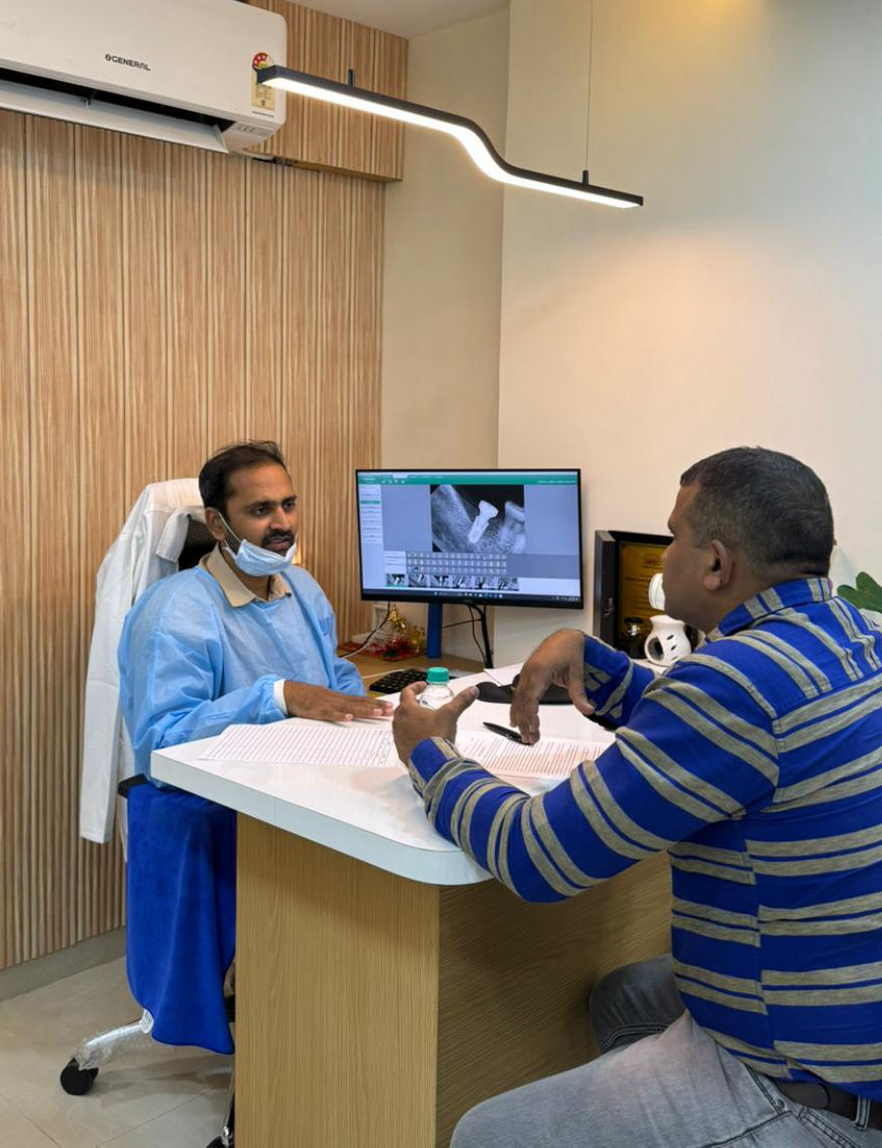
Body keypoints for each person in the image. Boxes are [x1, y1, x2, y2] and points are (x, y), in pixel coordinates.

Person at [392, 446, 882, 1147]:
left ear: (716, 565)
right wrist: (594, 661)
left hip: (812, 1088)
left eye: (674, 536)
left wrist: (430, 755)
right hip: (853, 1014)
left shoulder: (732, 683)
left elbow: (538, 855)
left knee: (484, 1133)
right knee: (622, 1000)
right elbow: (727, 736)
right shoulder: (855, 636)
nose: (664, 552)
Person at [119, 439, 390, 777]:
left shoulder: (302, 587)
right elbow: (161, 745)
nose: (283, 523)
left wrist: (372, 718)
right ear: (217, 524)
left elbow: (336, 678)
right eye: (261, 510)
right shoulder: (173, 614)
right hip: (225, 797)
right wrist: (278, 697)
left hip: (312, 774)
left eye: (288, 505)